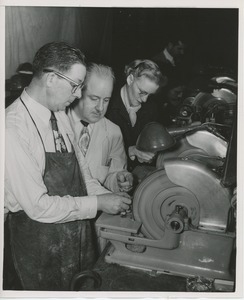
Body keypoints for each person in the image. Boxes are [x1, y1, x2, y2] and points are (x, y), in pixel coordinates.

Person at [4, 42, 131, 291]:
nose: (77, 95)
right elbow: (38, 207)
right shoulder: (13, 129)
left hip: (75, 237)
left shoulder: (59, 115)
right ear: (51, 78)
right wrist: (98, 204)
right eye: (75, 86)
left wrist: (108, 196)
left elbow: (83, 175)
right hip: (38, 246)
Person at [67, 63, 133, 193]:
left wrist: (119, 181)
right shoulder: (55, 123)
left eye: (106, 100)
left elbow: (111, 176)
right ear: (78, 91)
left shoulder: (113, 132)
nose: (100, 108)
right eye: (94, 99)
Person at [106, 59, 167, 171]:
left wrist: (149, 155)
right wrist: (130, 151)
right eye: (142, 92)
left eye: (150, 94)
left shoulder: (152, 109)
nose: (144, 100)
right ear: (130, 79)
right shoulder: (107, 105)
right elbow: (99, 150)